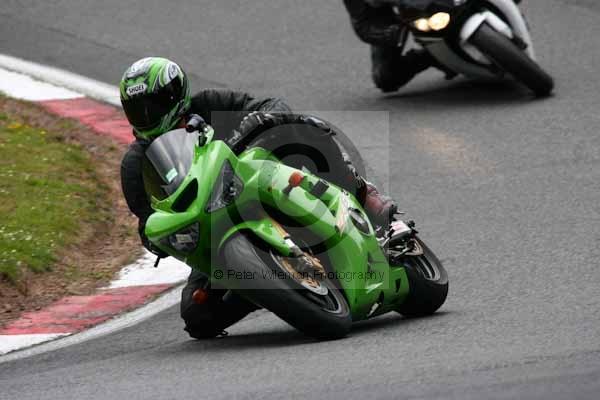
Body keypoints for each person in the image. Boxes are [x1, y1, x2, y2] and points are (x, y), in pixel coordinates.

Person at [119, 57, 396, 338]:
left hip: (261, 178)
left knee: (301, 128)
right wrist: (157, 240)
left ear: (175, 95)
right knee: (197, 315)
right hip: (212, 228)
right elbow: (147, 220)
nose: (146, 115)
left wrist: (261, 119)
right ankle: (269, 288)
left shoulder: (209, 104)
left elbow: (271, 105)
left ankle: (362, 193)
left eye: (153, 105)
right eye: (136, 110)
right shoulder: (136, 164)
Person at [343, 0, 440, 92]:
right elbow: (363, 25)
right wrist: (389, 32)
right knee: (386, 77)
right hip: (394, 17)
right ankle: (431, 56)